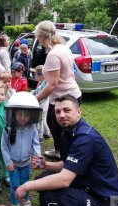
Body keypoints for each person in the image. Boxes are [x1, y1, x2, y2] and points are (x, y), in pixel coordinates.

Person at [15, 95, 118, 206]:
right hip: (87, 184)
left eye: (67, 110)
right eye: (57, 111)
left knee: (50, 200)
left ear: (78, 112)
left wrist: (26, 185)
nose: (61, 115)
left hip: (107, 201)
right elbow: (68, 164)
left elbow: (65, 179)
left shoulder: (85, 138)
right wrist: (46, 165)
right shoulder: (68, 132)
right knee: (42, 180)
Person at [34, 20, 82, 158]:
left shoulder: (54, 54)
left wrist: (35, 99)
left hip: (65, 97)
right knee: (52, 123)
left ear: (42, 37)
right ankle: (59, 151)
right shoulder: (63, 47)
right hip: (67, 94)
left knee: (61, 129)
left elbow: (52, 84)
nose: (38, 40)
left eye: (38, 37)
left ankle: (67, 158)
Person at [1, 92, 42, 206]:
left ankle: (25, 200)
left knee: (25, 184)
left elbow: (35, 144)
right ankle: (15, 203)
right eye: (20, 114)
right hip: (13, 164)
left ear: (32, 115)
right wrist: (8, 162)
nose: (24, 118)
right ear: (14, 114)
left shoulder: (32, 128)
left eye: (27, 115)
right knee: (15, 185)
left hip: (26, 163)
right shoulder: (8, 129)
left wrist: (37, 159)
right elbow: (4, 146)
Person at [30, 65, 51, 141]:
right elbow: (36, 91)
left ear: (42, 76)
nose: (34, 76)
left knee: (40, 121)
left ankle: (40, 136)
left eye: (35, 74)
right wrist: (32, 92)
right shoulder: (40, 83)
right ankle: (47, 132)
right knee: (43, 119)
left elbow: (42, 95)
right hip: (41, 105)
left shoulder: (44, 85)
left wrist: (35, 97)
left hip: (42, 105)